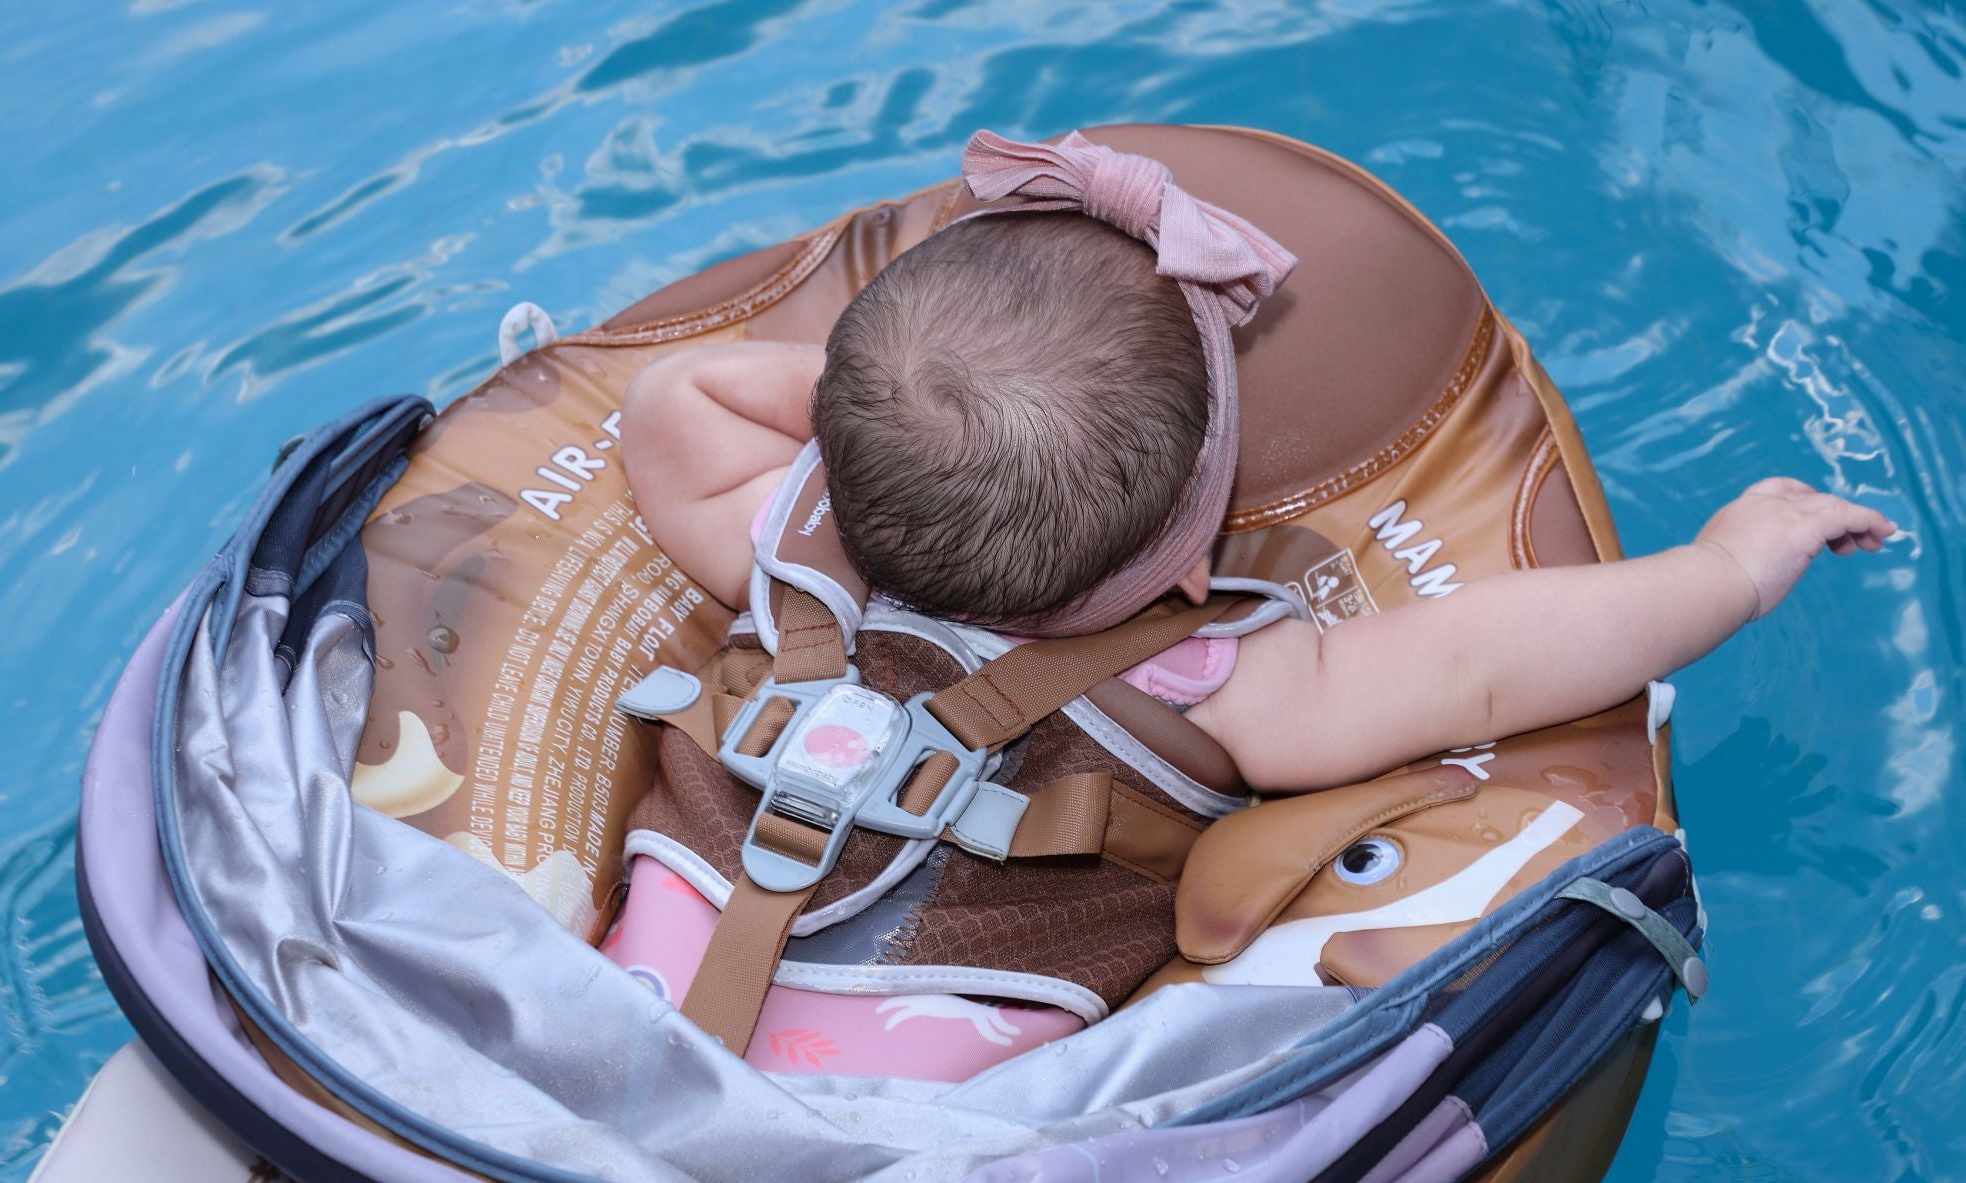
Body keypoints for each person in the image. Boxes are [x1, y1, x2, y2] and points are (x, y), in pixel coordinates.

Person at [618, 130, 1894, 796]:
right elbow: (1481, 658)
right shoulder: (1216, 682)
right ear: (1187, 554)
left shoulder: (781, 549)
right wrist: (1728, 563)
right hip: (920, 1076)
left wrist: (872, 424)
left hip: (657, 981)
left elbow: (675, 395)